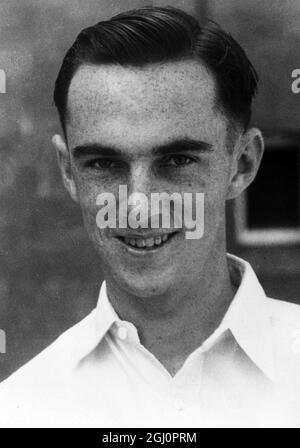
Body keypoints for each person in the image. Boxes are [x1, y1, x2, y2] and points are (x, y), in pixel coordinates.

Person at [0, 6, 299, 428]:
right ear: (68, 172)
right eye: (104, 164)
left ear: (243, 163)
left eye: (177, 160)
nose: (138, 205)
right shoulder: (20, 409)